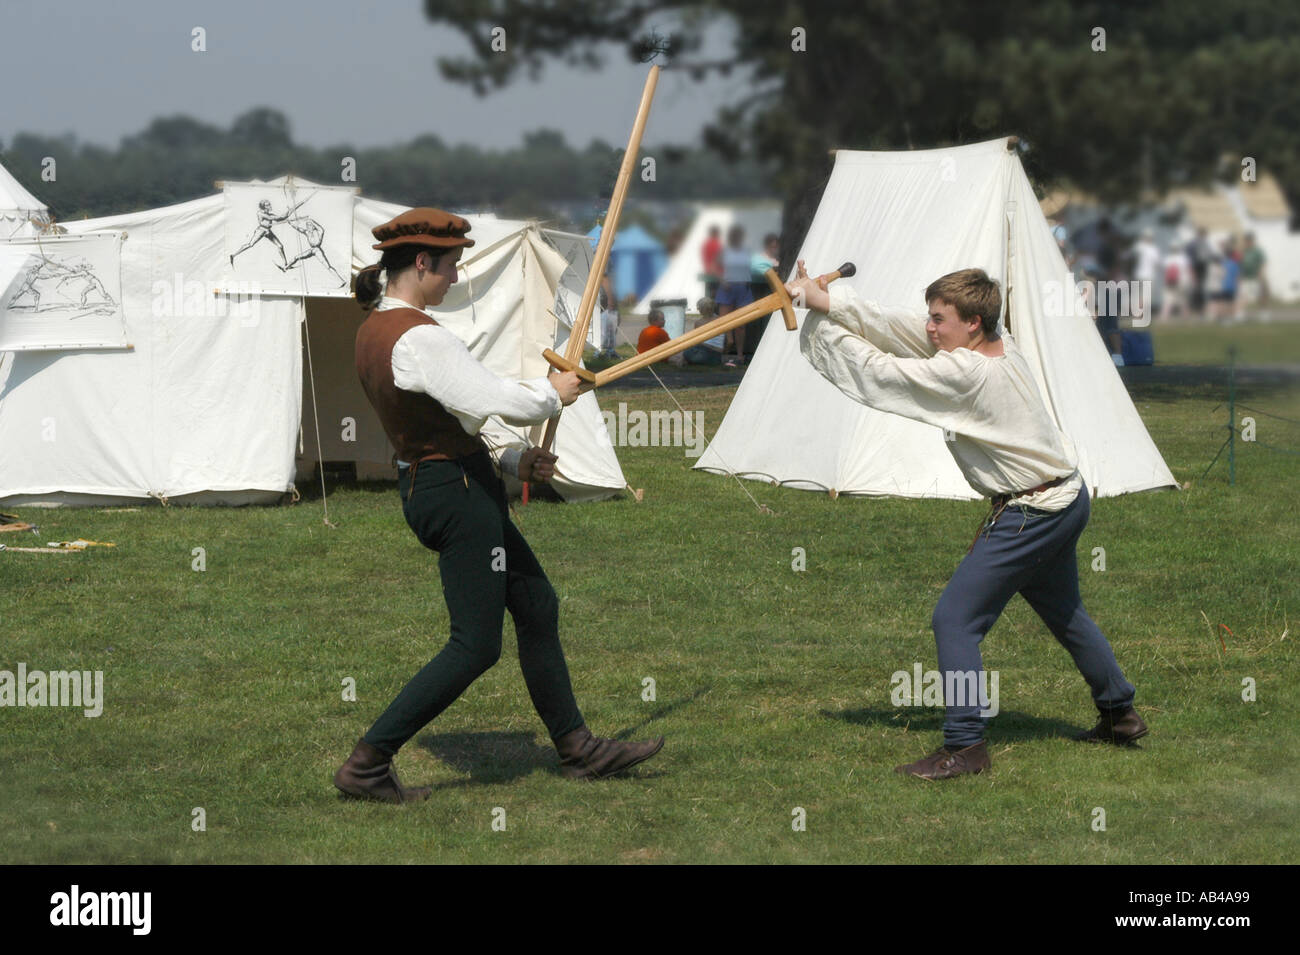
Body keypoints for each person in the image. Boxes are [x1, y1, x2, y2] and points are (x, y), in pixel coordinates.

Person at [335, 208, 663, 803]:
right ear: (421, 263)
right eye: (451, 265)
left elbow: (452, 421)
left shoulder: (375, 328)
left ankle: (578, 749)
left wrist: (513, 464)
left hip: (447, 484)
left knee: (536, 604)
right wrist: (552, 393)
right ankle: (368, 761)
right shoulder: (417, 337)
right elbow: (493, 398)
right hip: (454, 497)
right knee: (475, 645)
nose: (455, 278)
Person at [790, 263, 1145, 780]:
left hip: (1033, 513)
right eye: (931, 317)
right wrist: (826, 302)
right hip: (1065, 497)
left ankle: (965, 746)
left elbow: (882, 373)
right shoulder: (1000, 344)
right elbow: (900, 329)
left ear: (973, 323)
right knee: (1065, 613)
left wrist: (820, 323)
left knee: (954, 621)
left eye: (940, 319)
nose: (930, 328)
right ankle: (1119, 714)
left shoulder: (967, 372)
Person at [717, 225, 755, 366]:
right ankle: (726, 347)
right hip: (727, 286)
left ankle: (739, 354)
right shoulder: (725, 251)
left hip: (743, 287)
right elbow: (715, 267)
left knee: (741, 325)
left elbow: (753, 266)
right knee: (724, 321)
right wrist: (721, 280)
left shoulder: (747, 251)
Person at [682, 297, 724, 365]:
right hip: (717, 355)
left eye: (698, 307)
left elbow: (696, 340)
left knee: (686, 351)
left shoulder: (699, 323)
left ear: (703, 309)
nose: (697, 309)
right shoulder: (721, 320)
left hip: (704, 351)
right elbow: (729, 341)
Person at [1238, 232, 1267, 320]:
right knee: (1243, 296)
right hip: (1245, 277)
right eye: (1246, 240)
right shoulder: (1243, 251)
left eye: (1249, 240)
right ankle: (1240, 315)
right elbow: (1240, 264)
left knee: (1260, 296)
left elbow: (1262, 263)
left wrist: (1261, 274)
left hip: (1255, 277)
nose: (1247, 242)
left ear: (1252, 241)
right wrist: (1239, 276)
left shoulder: (1257, 251)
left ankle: (1263, 314)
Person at [598, 267, 619, 359]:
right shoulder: (607, 257)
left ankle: (609, 351)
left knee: (610, 328)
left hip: (606, 302)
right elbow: (604, 278)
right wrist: (610, 300)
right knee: (606, 329)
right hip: (605, 303)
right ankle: (601, 352)